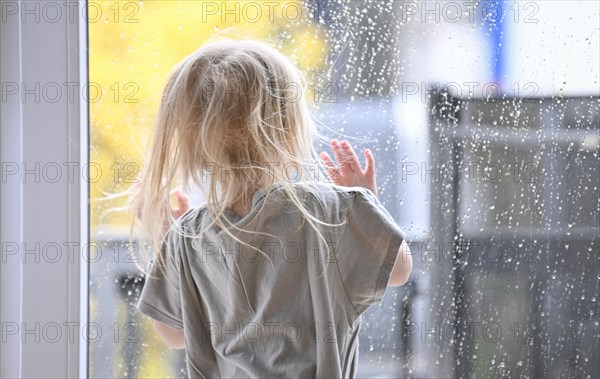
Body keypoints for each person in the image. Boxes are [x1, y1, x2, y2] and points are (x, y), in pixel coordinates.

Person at [130, 39, 412, 378]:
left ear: (194, 144)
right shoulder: (329, 212)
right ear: (290, 128)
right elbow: (398, 272)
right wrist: (367, 206)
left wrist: (166, 244)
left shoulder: (188, 236)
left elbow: (174, 334)